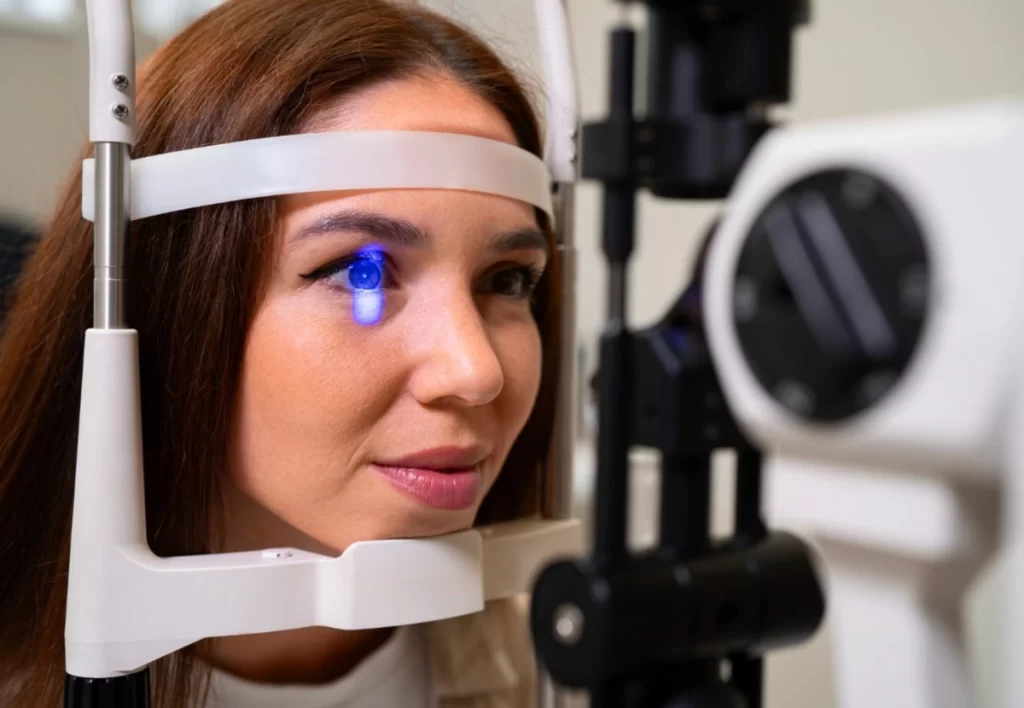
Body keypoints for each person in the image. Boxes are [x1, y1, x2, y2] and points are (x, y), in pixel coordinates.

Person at [0, 0, 562, 705]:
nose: (476, 372)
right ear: (172, 300)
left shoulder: (557, 662)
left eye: (507, 281)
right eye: (362, 273)